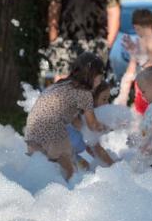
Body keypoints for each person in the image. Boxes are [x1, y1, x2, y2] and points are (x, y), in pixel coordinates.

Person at [24, 52, 107, 181]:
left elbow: (75, 121)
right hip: (53, 131)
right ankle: (69, 197)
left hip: (32, 130)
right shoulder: (85, 93)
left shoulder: (61, 85)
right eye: (101, 76)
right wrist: (109, 126)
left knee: (52, 171)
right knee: (71, 172)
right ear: (94, 76)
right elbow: (93, 125)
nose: (101, 80)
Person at [114, 9, 152, 113]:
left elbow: (130, 72)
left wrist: (122, 96)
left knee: (143, 120)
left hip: (145, 89)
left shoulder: (139, 44)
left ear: (135, 27)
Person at [67, 82, 116, 169]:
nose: (107, 103)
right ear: (92, 100)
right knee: (86, 165)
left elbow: (92, 148)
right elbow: (97, 149)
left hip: (69, 153)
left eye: (108, 99)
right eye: (104, 99)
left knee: (88, 164)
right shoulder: (86, 119)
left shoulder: (87, 117)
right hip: (61, 154)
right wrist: (114, 166)